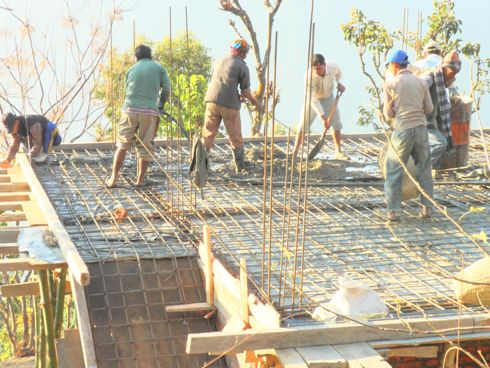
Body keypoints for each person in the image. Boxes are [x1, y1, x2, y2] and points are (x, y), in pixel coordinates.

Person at [106, 44, 170, 188]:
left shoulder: (131, 70)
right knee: (145, 146)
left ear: (136, 57)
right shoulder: (159, 69)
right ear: (150, 55)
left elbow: (128, 90)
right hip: (149, 112)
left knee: (122, 145)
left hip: (129, 110)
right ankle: (140, 181)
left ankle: (113, 178)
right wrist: (160, 105)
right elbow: (166, 89)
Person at [383, 49, 434, 221]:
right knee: (424, 168)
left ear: (395, 65)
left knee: (393, 170)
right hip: (421, 129)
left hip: (402, 131)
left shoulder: (391, 84)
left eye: (390, 65)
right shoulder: (422, 82)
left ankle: (393, 212)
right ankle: (427, 209)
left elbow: (389, 114)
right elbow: (429, 109)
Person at [201, 38, 258, 173]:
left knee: (208, 134)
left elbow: (223, 83)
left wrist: (236, 96)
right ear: (243, 53)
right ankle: (240, 167)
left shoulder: (220, 60)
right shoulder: (242, 66)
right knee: (235, 136)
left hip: (211, 101)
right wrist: (254, 101)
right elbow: (245, 91)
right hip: (229, 106)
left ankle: (200, 165)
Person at [293, 53, 347, 159]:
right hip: (312, 99)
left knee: (336, 123)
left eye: (319, 68)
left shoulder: (333, 67)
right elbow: (313, 100)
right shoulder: (309, 77)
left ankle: (338, 151)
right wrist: (323, 117)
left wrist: (339, 83)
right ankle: (295, 152)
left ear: (324, 65)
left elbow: (339, 74)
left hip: (328, 97)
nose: (317, 71)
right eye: (315, 69)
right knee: (303, 125)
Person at [422, 50, 462, 168]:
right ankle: (422, 168)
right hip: (422, 121)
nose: (453, 77)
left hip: (432, 121)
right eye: (452, 73)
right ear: (444, 68)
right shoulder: (430, 77)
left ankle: (430, 165)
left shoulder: (443, 82)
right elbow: (420, 85)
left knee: (443, 138)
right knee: (440, 142)